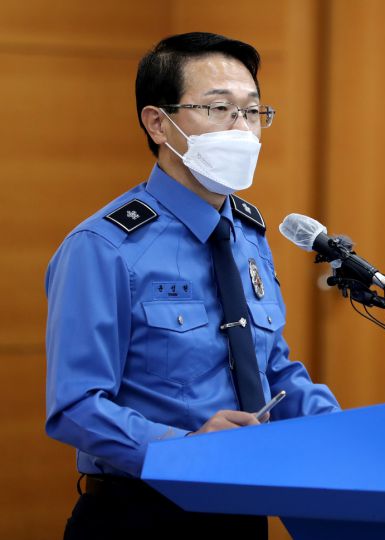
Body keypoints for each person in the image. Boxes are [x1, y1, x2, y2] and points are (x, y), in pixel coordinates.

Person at [44, 32, 340, 539]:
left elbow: (270, 368)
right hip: (140, 514)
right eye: (219, 108)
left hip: (243, 509)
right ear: (159, 123)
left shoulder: (247, 234)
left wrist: (339, 430)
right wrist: (185, 451)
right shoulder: (104, 246)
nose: (241, 128)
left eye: (252, 112)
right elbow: (75, 406)